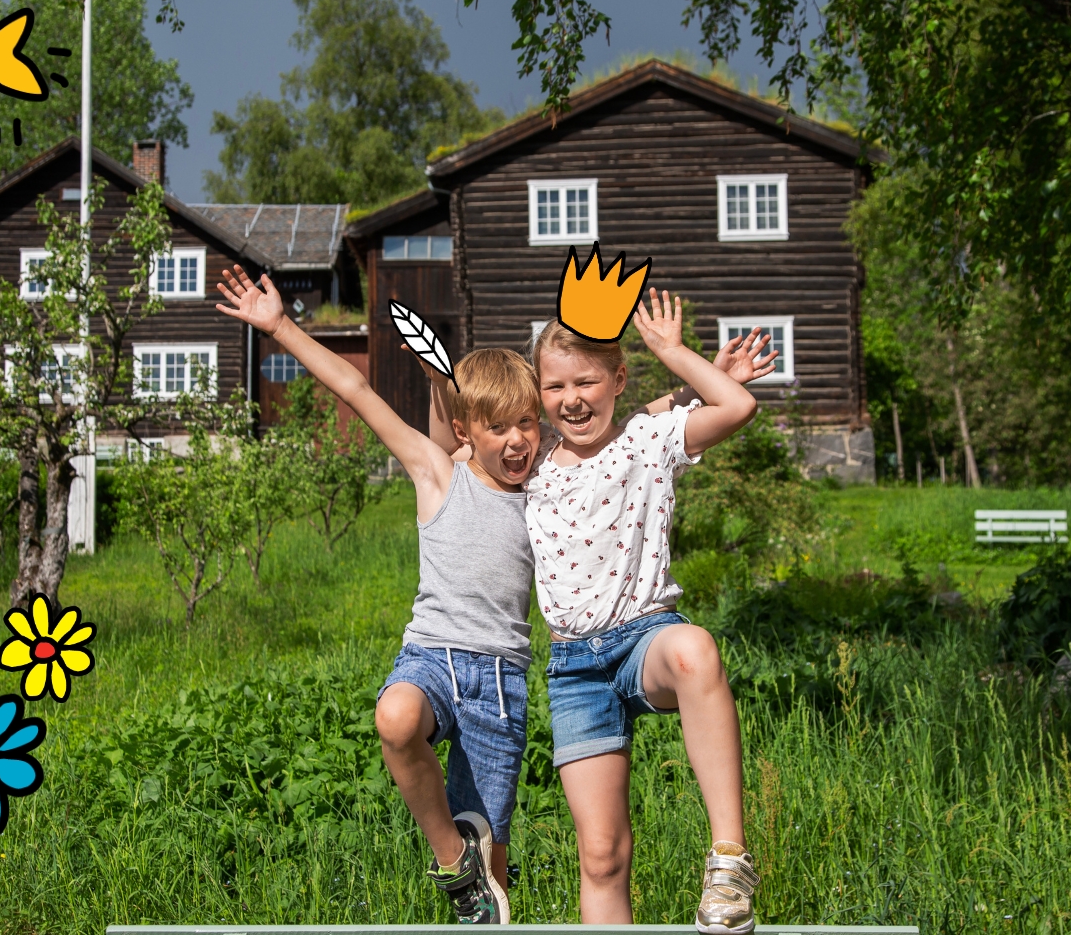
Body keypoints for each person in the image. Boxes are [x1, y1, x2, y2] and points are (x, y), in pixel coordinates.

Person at [216, 264, 536, 924]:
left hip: (501, 682)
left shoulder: (547, 494)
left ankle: (479, 883)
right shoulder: (436, 475)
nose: (517, 441)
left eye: (528, 424)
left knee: (497, 880)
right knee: (394, 719)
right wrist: (279, 326)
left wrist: (692, 395)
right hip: (433, 659)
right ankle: (452, 861)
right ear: (467, 429)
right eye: (499, 427)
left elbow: (618, 443)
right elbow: (355, 387)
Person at [526, 290, 770, 933]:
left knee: (696, 651)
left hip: (643, 639)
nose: (571, 398)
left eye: (587, 380)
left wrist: (674, 352)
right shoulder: (532, 469)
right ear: (538, 391)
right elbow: (453, 447)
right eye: (554, 386)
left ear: (618, 379)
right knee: (601, 856)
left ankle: (728, 860)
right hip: (574, 670)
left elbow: (737, 406)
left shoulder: (647, 441)